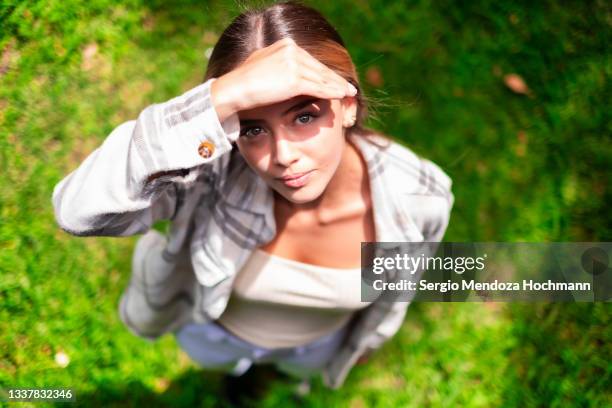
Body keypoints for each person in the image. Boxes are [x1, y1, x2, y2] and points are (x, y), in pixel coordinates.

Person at [51, 0, 454, 396]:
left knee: (286, 375)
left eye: (304, 116)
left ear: (347, 104)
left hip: (314, 348)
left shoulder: (420, 196)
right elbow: (77, 212)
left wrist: (369, 341)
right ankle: (240, 380)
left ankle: (273, 379)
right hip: (218, 336)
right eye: (252, 129)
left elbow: (401, 286)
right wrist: (217, 99)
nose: (282, 156)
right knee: (233, 375)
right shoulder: (212, 177)